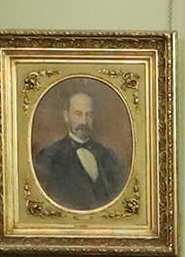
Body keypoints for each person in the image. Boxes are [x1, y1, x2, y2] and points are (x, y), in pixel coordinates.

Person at [32, 83, 128, 213]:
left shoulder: (109, 156)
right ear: (66, 116)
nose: (84, 121)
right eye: (78, 114)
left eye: (89, 115)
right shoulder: (48, 157)